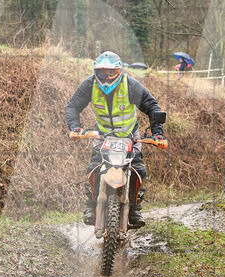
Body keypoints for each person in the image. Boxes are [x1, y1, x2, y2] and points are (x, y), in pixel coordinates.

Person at [66, 51, 166, 229]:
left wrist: (157, 133)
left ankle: (135, 209)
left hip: (129, 134)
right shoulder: (90, 84)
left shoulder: (130, 85)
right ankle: (91, 206)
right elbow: (73, 106)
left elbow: (152, 106)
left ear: (119, 71)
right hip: (102, 134)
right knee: (94, 167)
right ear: (96, 72)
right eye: (102, 72)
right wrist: (75, 127)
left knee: (139, 169)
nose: (106, 77)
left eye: (111, 72)